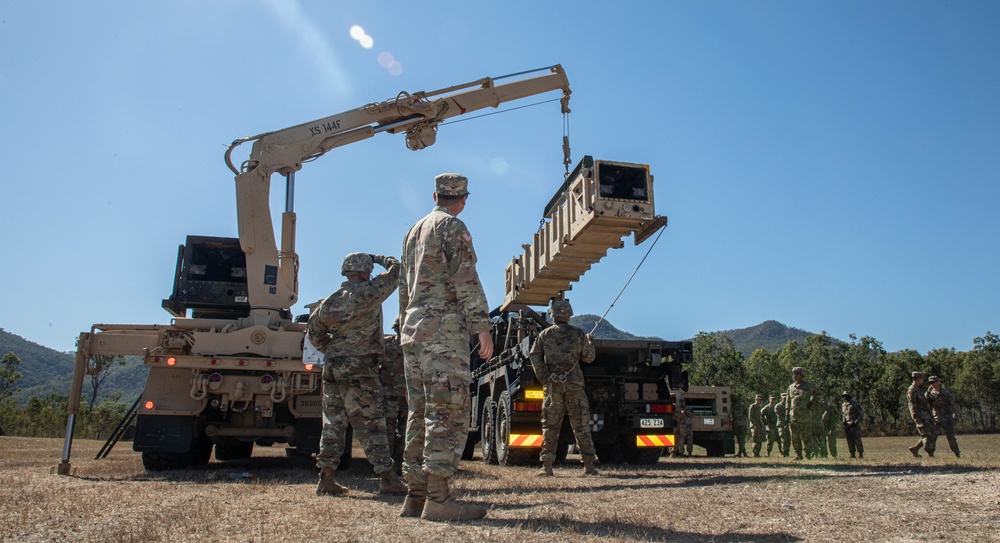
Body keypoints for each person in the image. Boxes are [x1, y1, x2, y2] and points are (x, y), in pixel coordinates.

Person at [398, 173, 494, 522]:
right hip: (443, 334)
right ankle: (438, 500)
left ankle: (414, 496)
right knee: (447, 412)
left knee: (418, 413)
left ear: (435, 194)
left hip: (413, 333)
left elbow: (404, 289)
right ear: (463, 199)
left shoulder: (413, 231)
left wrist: (403, 328)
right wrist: (482, 327)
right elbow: (465, 277)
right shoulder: (453, 227)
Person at [309, 252, 407, 496]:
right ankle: (387, 477)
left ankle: (326, 477)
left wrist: (332, 349)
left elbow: (314, 332)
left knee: (333, 422)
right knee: (373, 422)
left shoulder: (330, 301)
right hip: (360, 366)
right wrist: (378, 258)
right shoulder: (370, 292)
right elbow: (398, 271)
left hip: (333, 365)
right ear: (365, 272)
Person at [530, 299, 599, 474]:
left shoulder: (544, 335)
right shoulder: (578, 334)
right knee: (581, 425)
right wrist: (589, 342)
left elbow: (535, 357)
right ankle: (589, 466)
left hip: (553, 386)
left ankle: (547, 467)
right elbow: (589, 358)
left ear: (552, 314)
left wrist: (545, 377)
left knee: (550, 425)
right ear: (569, 314)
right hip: (574, 384)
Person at [379, 316, 407, 474]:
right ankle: (387, 465)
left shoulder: (412, 346)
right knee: (388, 430)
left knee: (405, 431)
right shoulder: (386, 346)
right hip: (389, 395)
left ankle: (401, 464)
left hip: (406, 395)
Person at [784, 367, 816, 460]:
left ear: (802, 375)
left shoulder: (808, 386)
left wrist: (811, 402)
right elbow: (787, 400)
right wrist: (787, 413)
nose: (794, 376)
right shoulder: (790, 387)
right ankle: (798, 455)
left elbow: (818, 394)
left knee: (806, 436)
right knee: (794, 437)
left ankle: (808, 454)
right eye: (793, 374)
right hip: (793, 416)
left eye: (796, 373)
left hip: (805, 416)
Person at [926, 376, 961, 458]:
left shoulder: (945, 393)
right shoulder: (930, 393)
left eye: (934, 382)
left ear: (938, 382)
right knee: (932, 437)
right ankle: (931, 454)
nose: (932, 384)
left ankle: (957, 454)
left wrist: (955, 417)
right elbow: (925, 401)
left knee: (951, 437)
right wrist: (928, 391)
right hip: (936, 419)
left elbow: (953, 405)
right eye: (931, 383)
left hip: (947, 418)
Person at [907, 371, 937, 458]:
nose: (923, 380)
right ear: (917, 379)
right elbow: (912, 404)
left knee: (930, 433)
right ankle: (930, 453)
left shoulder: (918, 389)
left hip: (926, 415)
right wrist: (915, 416)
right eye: (922, 378)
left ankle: (915, 448)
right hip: (920, 416)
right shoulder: (912, 389)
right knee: (926, 434)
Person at [841, 390, 864, 459]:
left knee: (857, 439)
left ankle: (860, 454)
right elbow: (843, 414)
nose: (845, 397)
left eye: (846, 396)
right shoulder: (843, 405)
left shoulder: (854, 404)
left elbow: (861, 414)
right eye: (844, 396)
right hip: (847, 425)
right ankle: (852, 454)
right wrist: (843, 421)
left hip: (854, 424)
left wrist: (856, 421)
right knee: (849, 440)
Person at [775, 392, 790, 457]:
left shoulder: (789, 405)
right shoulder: (778, 406)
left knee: (788, 440)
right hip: (781, 424)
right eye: (784, 398)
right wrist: (785, 423)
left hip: (788, 425)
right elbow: (779, 416)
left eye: (786, 398)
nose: (785, 399)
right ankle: (783, 453)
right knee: (783, 439)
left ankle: (787, 452)